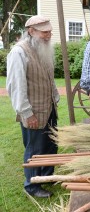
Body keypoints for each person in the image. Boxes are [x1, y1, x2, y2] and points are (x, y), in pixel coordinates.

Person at [6, 15, 59, 198]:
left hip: (49, 107)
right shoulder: (19, 52)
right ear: (31, 31)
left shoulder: (43, 49)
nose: (48, 35)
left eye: (49, 32)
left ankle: (46, 177)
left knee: (51, 144)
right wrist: (27, 113)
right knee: (34, 149)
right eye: (44, 32)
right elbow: (16, 86)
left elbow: (49, 78)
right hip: (33, 111)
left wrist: (55, 97)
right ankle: (32, 186)